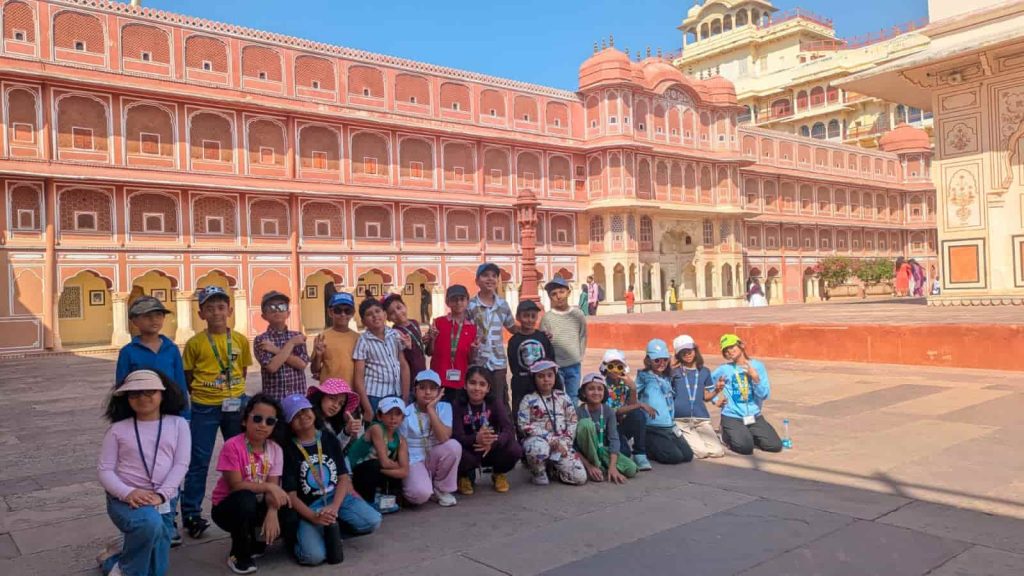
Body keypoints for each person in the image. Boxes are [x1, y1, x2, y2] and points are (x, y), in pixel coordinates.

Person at [97, 370, 190, 576]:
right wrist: (128, 493)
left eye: (150, 391)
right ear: (126, 398)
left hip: (164, 499)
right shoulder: (117, 430)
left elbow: (181, 464)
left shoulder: (178, 424)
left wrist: (161, 495)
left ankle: (115, 560)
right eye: (135, 394)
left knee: (157, 569)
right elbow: (105, 470)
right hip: (126, 500)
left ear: (162, 394)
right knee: (149, 523)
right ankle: (128, 569)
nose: (142, 398)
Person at [181, 285, 253, 539]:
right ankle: (191, 513)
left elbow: (242, 371)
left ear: (230, 310)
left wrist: (232, 393)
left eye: (221, 308)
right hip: (205, 408)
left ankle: (243, 502)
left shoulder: (241, 340)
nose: (216, 313)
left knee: (240, 458)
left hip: (235, 406)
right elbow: (189, 375)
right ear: (201, 314)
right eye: (209, 309)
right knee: (199, 461)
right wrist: (208, 394)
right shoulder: (195, 343)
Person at [281, 394, 381, 566]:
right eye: (296, 415)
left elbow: (343, 477)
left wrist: (334, 507)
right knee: (313, 557)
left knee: (373, 521)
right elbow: (291, 495)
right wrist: (312, 517)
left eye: (305, 411)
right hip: (310, 506)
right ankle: (297, 541)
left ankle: (329, 528)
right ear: (288, 423)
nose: (303, 417)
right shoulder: (288, 448)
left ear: (313, 411)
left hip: (336, 498)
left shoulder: (328, 439)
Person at [208, 394, 288, 574]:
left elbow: (274, 488)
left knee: (288, 510)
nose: (263, 425)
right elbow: (236, 485)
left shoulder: (275, 449)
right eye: (257, 418)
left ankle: (257, 540)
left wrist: (273, 512)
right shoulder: (232, 446)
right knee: (245, 500)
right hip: (228, 506)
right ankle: (238, 554)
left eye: (270, 421)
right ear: (245, 420)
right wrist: (268, 487)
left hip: (259, 502)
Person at [116, 296, 190, 420]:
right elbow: (122, 386)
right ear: (134, 321)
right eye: (147, 316)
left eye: (158, 315)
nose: (153, 320)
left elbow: (180, 383)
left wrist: (185, 414)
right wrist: (123, 416)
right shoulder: (128, 351)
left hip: (170, 408)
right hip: (142, 408)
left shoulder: (171, 348)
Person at [451, 366, 522, 495]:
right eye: (472, 383)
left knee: (515, 449)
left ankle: (498, 473)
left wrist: (493, 442)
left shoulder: (494, 402)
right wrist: (475, 439)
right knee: (454, 449)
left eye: (482, 384)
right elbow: (456, 435)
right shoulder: (458, 404)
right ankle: (464, 476)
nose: (477, 388)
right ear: (465, 385)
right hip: (469, 449)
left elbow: (508, 429)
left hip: (491, 447)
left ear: (488, 388)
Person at [518, 360, 587, 486]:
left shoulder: (563, 397)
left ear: (555, 377)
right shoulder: (528, 399)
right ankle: (538, 472)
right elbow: (524, 425)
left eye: (549, 375)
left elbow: (572, 421)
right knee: (538, 450)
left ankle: (553, 469)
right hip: (539, 442)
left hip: (561, 445)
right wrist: (550, 440)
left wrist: (564, 443)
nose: (546, 379)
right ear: (534, 378)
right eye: (541, 376)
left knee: (580, 478)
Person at [711, 334, 782, 455]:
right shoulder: (724, 369)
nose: (729, 351)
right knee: (745, 448)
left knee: (774, 446)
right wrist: (715, 398)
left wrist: (755, 378)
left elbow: (764, 395)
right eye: (725, 349)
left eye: (732, 346)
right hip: (732, 416)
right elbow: (708, 384)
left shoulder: (758, 366)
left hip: (754, 416)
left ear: (741, 345)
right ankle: (726, 434)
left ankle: (746, 434)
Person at [399, 370, 462, 507]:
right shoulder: (406, 413)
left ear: (440, 392)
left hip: (434, 455)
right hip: (414, 459)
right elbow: (401, 446)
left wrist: (431, 410)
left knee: (453, 446)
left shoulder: (445, 407)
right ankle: (420, 486)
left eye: (433, 388)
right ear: (415, 390)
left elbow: (444, 437)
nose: (427, 392)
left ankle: (440, 488)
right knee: (420, 495)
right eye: (422, 388)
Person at [346, 397, 409, 513]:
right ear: (380, 416)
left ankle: (386, 500)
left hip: (375, 470)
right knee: (375, 465)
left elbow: (404, 471)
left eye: (398, 414)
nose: (393, 418)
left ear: (403, 418)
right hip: (354, 472)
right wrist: (397, 465)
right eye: (389, 413)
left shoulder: (401, 440)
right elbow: (385, 462)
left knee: (386, 472)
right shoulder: (376, 428)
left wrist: (394, 467)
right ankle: (368, 501)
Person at [636, 339, 694, 465]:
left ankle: (663, 445)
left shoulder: (667, 376)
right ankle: (648, 446)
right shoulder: (644, 376)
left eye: (665, 359)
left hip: (670, 426)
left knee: (687, 455)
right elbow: (631, 396)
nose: (661, 363)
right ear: (648, 360)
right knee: (674, 457)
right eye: (657, 360)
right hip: (654, 426)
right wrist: (642, 404)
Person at [468, 263, 518, 408]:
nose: (490, 279)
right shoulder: (470, 305)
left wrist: (537, 333)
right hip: (477, 360)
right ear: (477, 281)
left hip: (497, 362)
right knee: (477, 400)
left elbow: (512, 327)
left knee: (499, 401)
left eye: (494, 276)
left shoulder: (503, 305)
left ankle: (503, 430)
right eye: (485, 275)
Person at [352, 298, 410, 416]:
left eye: (377, 311)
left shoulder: (395, 335)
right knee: (377, 431)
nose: (374, 316)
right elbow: (358, 378)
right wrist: (367, 408)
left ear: (384, 314)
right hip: (375, 396)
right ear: (363, 321)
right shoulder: (363, 341)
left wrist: (405, 396)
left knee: (395, 430)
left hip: (396, 393)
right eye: (369, 314)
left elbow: (403, 366)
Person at [670, 335, 725, 459]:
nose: (687, 354)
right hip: (681, 419)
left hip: (700, 418)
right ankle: (678, 438)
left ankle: (693, 439)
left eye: (689, 350)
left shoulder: (704, 371)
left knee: (718, 452)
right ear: (678, 355)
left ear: (695, 350)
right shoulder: (674, 372)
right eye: (683, 352)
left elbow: (705, 396)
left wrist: (717, 390)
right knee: (701, 452)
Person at [575, 372, 636, 484]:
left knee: (631, 469)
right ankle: (595, 467)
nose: (596, 392)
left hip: (603, 450)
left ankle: (603, 468)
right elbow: (573, 446)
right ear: (584, 393)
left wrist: (612, 467)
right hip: (586, 454)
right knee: (586, 424)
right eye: (591, 389)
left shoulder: (608, 411)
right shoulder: (578, 412)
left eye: (600, 389)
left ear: (604, 392)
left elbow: (614, 439)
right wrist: (589, 466)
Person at [599, 349, 654, 471]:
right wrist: (640, 405)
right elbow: (614, 411)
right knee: (624, 453)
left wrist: (633, 388)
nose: (614, 369)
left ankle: (640, 454)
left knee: (638, 415)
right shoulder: (602, 384)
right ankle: (608, 448)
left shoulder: (625, 383)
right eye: (611, 365)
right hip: (608, 427)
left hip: (622, 424)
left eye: (618, 366)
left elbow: (632, 406)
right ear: (605, 367)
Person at [426, 284, 478, 403]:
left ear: (467, 301)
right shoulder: (438, 323)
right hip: (439, 378)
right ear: (447, 302)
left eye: (462, 299)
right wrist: (432, 339)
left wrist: (474, 350)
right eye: (454, 299)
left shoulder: (472, 328)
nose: (458, 302)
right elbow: (429, 352)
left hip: (461, 379)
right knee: (439, 411)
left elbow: (471, 359)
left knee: (457, 414)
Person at [253, 291, 309, 401]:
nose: (277, 310)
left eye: (281, 306)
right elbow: (272, 367)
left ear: (288, 313)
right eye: (272, 308)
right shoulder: (261, 340)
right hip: (274, 399)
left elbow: (301, 364)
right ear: (264, 316)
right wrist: (291, 344)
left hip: (297, 397)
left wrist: (275, 350)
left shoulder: (297, 336)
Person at [540, 276, 587, 399]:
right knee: (557, 397)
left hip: (574, 364)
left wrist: (579, 356)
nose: (559, 296)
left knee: (573, 396)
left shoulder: (578, 314)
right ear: (550, 297)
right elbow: (544, 343)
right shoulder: (547, 318)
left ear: (568, 292)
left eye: (562, 292)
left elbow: (582, 336)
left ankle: (573, 418)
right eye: (554, 294)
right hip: (556, 366)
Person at [507, 299, 555, 416]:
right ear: (518, 317)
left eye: (533, 316)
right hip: (522, 381)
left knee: (542, 410)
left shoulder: (543, 338)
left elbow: (550, 360)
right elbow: (514, 363)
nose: (529, 320)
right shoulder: (514, 341)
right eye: (526, 316)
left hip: (541, 380)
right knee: (520, 411)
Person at [310, 292, 359, 384]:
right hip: (329, 392)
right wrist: (318, 355)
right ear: (330, 312)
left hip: (352, 392)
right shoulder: (322, 338)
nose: (343, 314)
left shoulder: (358, 338)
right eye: (338, 310)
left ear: (352, 313)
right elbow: (314, 369)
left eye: (347, 311)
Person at [308, 379, 363, 452]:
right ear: (321, 395)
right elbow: (328, 451)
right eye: (332, 398)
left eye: (341, 403)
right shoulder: (309, 420)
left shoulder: (333, 423)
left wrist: (348, 432)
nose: (336, 406)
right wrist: (345, 433)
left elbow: (336, 451)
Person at [382, 293, 427, 376]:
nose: (398, 313)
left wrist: (424, 340)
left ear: (405, 306)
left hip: (422, 367)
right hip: (410, 373)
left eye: (399, 308)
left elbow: (417, 343)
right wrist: (409, 348)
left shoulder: (414, 323)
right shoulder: (395, 333)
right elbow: (400, 358)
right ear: (388, 318)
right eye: (392, 313)